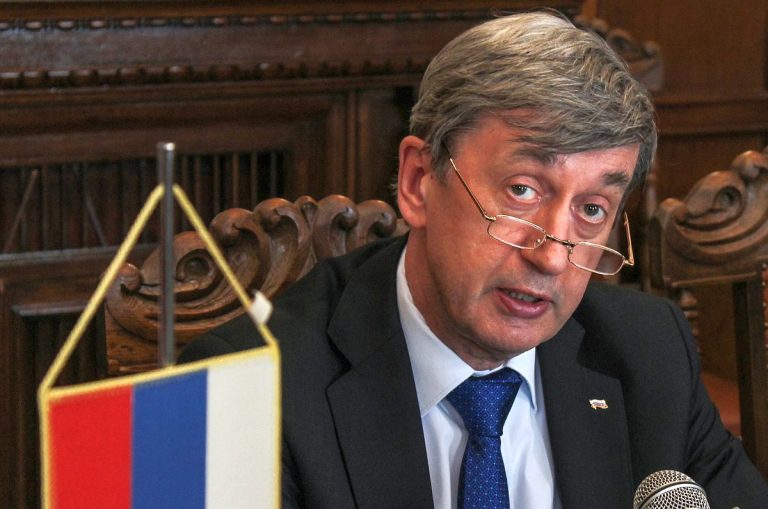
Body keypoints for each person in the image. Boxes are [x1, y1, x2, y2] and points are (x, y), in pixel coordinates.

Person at [179, 10, 768, 508]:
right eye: (522, 190)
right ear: (418, 181)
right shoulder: (250, 392)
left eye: (592, 209)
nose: (552, 257)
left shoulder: (649, 354)